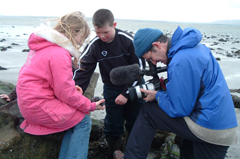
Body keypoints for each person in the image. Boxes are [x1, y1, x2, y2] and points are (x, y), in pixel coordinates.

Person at [114, 27, 239, 159]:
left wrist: (157, 95)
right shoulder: (195, 48)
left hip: (210, 128)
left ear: (156, 45)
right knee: (186, 149)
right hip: (221, 122)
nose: (154, 62)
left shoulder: (180, 61)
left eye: (151, 58)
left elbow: (179, 109)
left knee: (148, 112)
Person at [16, 11, 105, 159]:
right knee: (83, 121)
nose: (81, 42)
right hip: (39, 106)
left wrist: (72, 89)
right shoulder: (59, 53)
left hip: (28, 103)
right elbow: (65, 93)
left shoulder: (43, 46)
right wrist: (90, 105)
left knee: (75, 121)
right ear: (71, 31)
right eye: (81, 37)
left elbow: (45, 81)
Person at [73, 9, 145, 159]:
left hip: (134, 86)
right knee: (113, 125)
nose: (102, 37)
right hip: (111, 88)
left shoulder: (128, 41)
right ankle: (113, 154)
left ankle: (131, 154)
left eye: (106, 32)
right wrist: (74, 92)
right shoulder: (95, 45)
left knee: (135, 123)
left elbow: (141, 70)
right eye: (98, 33)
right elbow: (83, 70)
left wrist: (127, 93)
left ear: (114, 25)